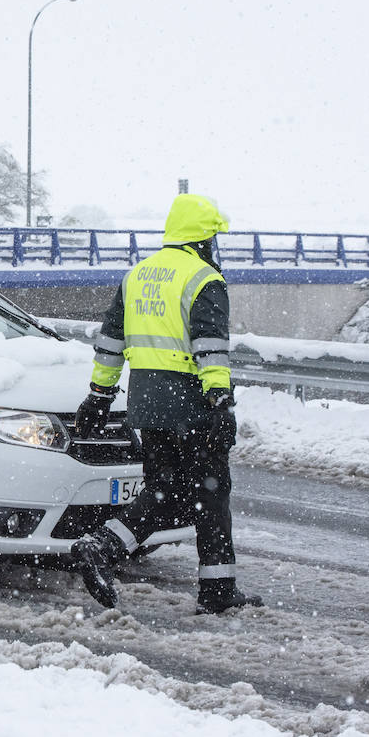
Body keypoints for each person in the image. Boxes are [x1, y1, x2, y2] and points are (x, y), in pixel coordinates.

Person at [69, 193, 262, 615]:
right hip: (190, 401)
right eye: (214, 238)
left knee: (166, 490)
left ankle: (103, 545)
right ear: (203, 238)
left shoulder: (137, 276)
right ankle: (217, 590)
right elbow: (210, 346)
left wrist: (99, 395)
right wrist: (219, 400)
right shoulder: (203, 278)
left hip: (148, 403)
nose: (215, 246)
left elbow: (110, 342)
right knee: (212, 493)